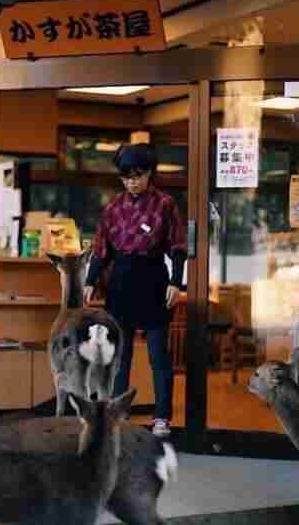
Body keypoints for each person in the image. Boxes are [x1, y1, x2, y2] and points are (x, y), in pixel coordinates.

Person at [83, 143, 186, 437]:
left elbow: (178, 247)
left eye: (137, 176)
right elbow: (101, 250)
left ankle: (162, 417)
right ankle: (118, 415)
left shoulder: (165, 204)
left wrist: (176, 282)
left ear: (149, 173)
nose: (132, 182)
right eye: (126, 177)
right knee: (120, 356)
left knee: (158, 356)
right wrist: (90, 280)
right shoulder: (112, 208)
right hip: (121, 282)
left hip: (154, 279)